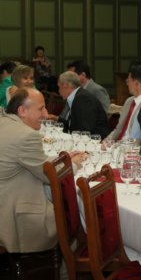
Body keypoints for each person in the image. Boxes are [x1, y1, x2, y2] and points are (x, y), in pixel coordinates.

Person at [0, 89, 83, 252]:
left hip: (5, 200)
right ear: (22, 111)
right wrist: (73, 165)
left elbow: (33, 161)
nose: (45, 114)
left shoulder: (6, 123)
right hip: (13, 217)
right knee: (76, 220)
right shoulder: (25, 135)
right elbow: (49, 176)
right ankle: (67, 266)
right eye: (41, 108)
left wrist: (63, 158)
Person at [104, 66, 141, 142]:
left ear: (136, 84)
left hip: (132, 146)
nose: (127, 84)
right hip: (117, 144)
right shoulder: (129, 101)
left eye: (128, 81)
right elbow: (118, 128)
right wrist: (106, 141)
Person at [57, 71, 110, 138]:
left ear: (65, 85)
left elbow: (84, 131)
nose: (59, 91)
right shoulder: (76, 97)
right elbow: (71, 123)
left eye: (59, 87)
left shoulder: (83, 98)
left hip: (95, 141)